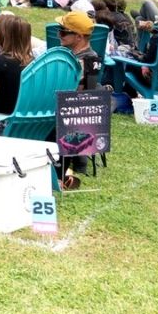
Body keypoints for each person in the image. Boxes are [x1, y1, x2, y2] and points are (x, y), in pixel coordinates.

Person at [55, 10, 102, 189]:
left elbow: (81, 98)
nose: (59, 34)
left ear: (79, 37)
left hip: (68, 115)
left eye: (64, 32)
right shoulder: (81, 57)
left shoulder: (84, 60)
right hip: (73, 115)